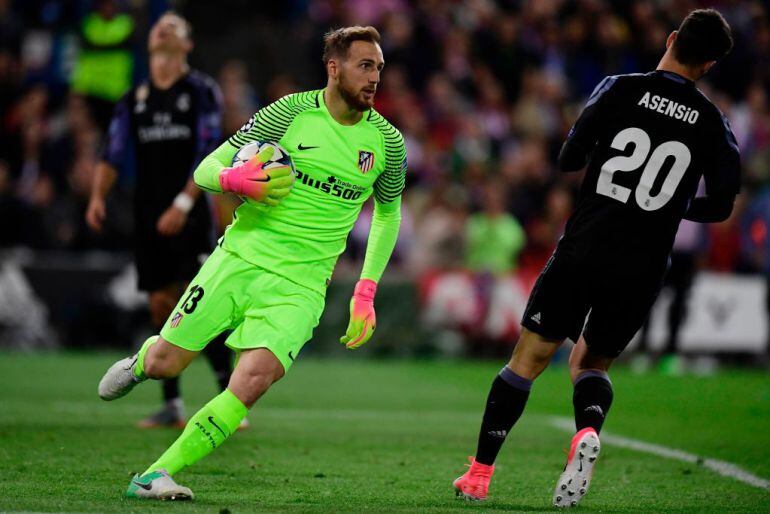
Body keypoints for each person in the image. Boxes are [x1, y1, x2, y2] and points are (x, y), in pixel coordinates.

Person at [97, 25, 406, 501]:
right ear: (334, 68)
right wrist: (241, 182)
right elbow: (205, 170)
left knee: (253, 380)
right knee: (168, 362)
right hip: (239, 260)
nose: (374, 78)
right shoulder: (290, 112)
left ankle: (154, 474)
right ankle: (143, 361)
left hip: (301, 287)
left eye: (379, 68)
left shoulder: (387, 142)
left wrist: (365, 292)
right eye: (365, 65)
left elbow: (388, 214)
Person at [452, 9, 739, 508]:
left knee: (529, 359)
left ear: (672, 39)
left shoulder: (620, 88)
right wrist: (671, 205)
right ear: (709, 65)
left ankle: (479, 474)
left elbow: (569, 158)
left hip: (586, 244)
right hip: (644, 263)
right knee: (591, 364)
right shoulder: (715, 123)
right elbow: (720, 204)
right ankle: (587, 430)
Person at [86, 12, 236, 429]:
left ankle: (227, 396)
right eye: (160, 25)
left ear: (187, 45)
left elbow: (209, 153)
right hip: (148, 214)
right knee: (159, 304)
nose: (165, 27)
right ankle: (172, 405)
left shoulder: (201, 91)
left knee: (199, 302)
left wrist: (184, 205)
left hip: (189, 216)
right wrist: (98, 196)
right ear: (150, 42)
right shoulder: (135, 98)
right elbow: (112, 153)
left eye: (176, 26)